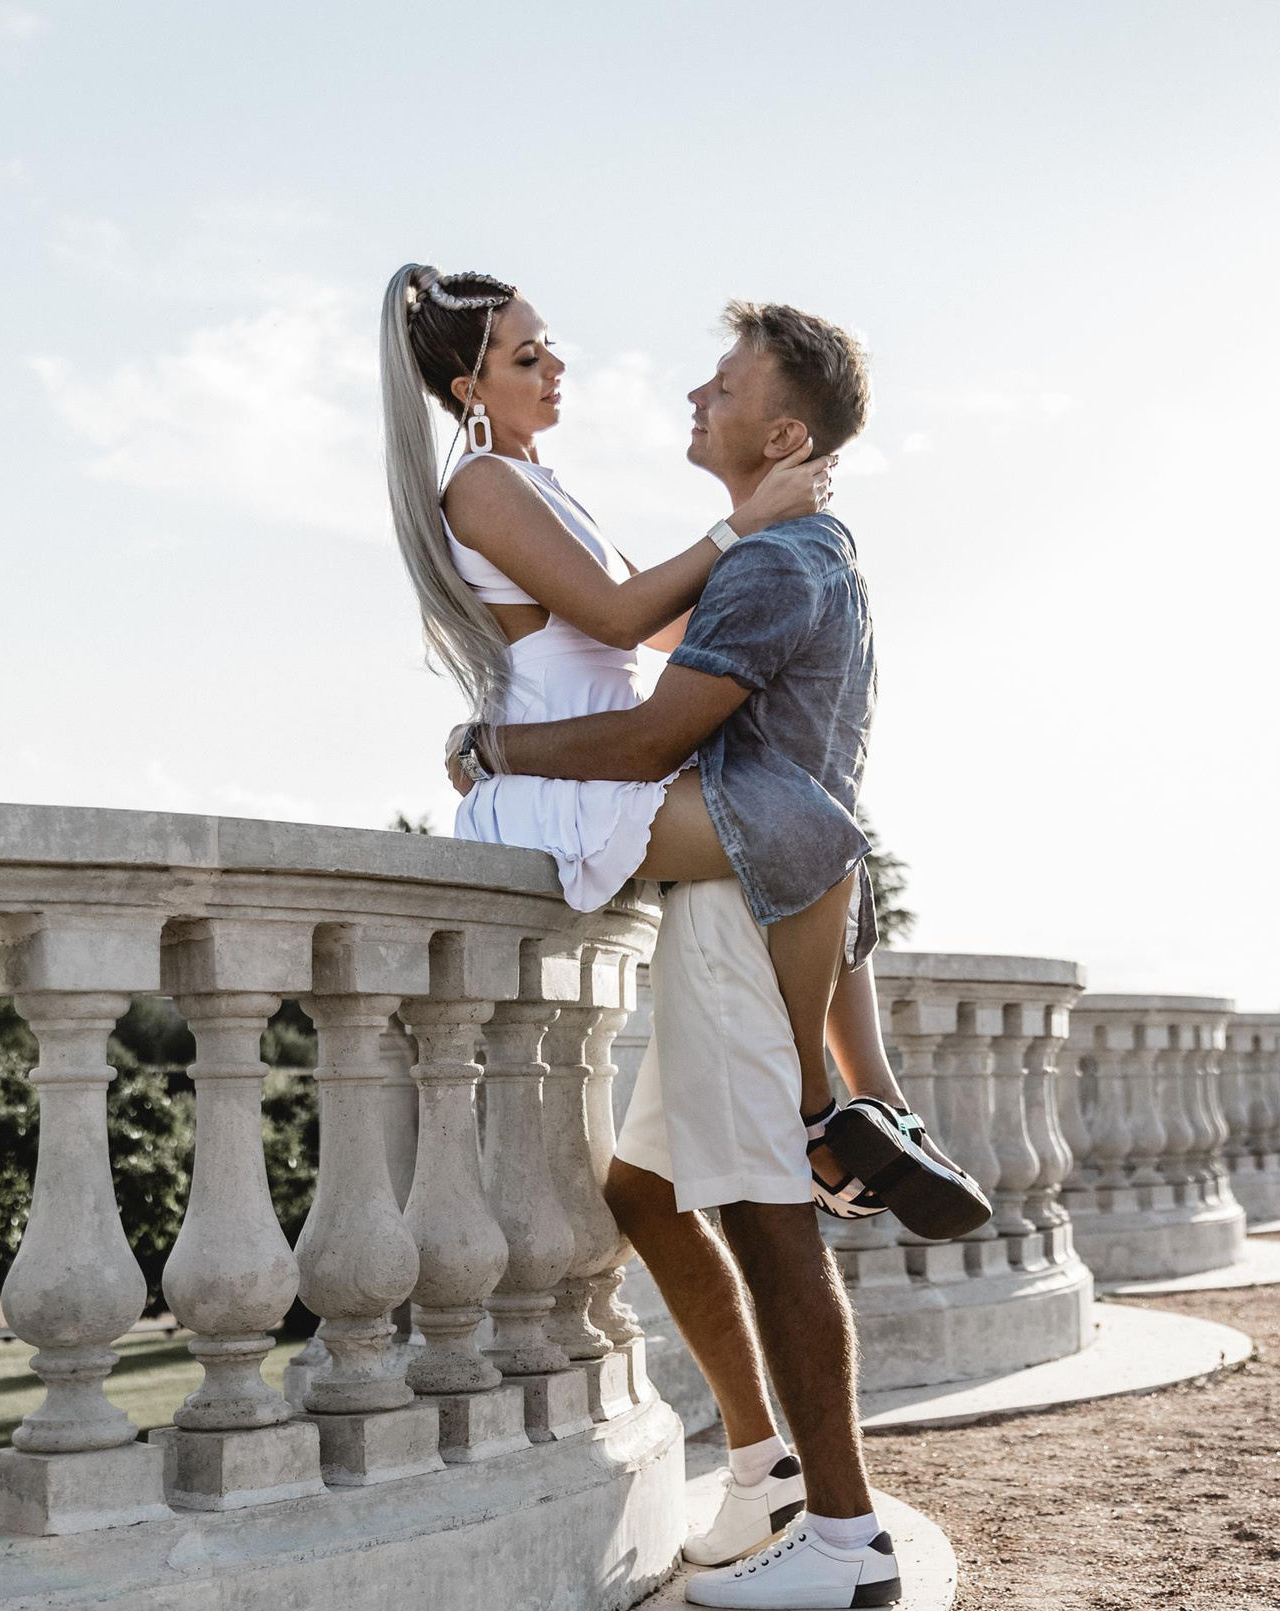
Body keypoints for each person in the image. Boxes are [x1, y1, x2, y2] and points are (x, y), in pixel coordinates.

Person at [427, 295, 959, 1610]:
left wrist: (494, 750)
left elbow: (647, 738)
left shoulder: (779, 560)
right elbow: (638, 635)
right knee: (649, 1190)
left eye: (721, 386)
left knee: (768, 1215)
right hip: (753, 886)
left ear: (781, 430)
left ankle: (840, 1538)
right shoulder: (780, 550)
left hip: (730, 909)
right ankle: (767, 1459)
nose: (692, 397)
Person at [382, 264, 899, 1190]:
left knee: (819, 823)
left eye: (550, 346)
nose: (555, 367)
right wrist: (743, 524)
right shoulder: (484, 486)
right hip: (561, 775)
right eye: (527, 356)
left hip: (613, 765)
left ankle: (882, 1108)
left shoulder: (542, 485)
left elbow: (661, 625)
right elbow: (620, 618)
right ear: (470, 391)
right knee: (812, 833)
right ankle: (818, 1110)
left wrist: (780, 575)